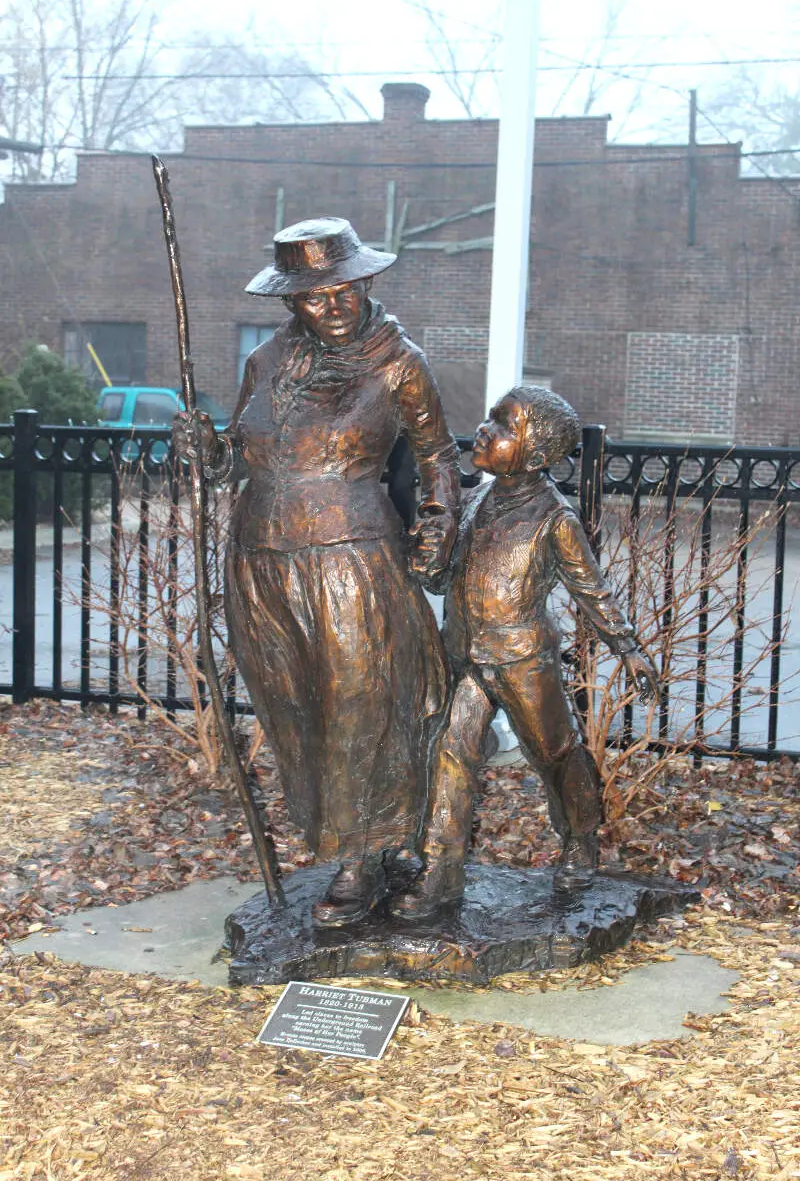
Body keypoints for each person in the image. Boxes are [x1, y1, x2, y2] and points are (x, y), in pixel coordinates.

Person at [175, 217, 460, 928]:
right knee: (295, 708)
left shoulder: (399, 362)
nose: (332, 305)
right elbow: (233, 460)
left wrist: (437, 527)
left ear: (364, 281)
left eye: (343, 289)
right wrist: (204, 446)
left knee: (361, 706)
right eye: (312, 296)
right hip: (261, 559)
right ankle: (351, 839)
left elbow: (438, 458)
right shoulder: (267, 362)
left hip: (350, 558)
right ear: (289, 301)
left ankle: (365, 858)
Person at [391, 385, 659, 921]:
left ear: (535, 454)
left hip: (523, 660)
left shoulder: (554, 519)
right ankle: (442, 872)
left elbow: (590, 588)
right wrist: (424, 558)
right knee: (451, 754)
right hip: (467, 657)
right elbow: (444, 580)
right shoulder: (471, 503)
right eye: (490, 418)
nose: (487, 429)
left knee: (556, 755)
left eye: (504, 425)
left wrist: (627, 647)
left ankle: (581, 838)